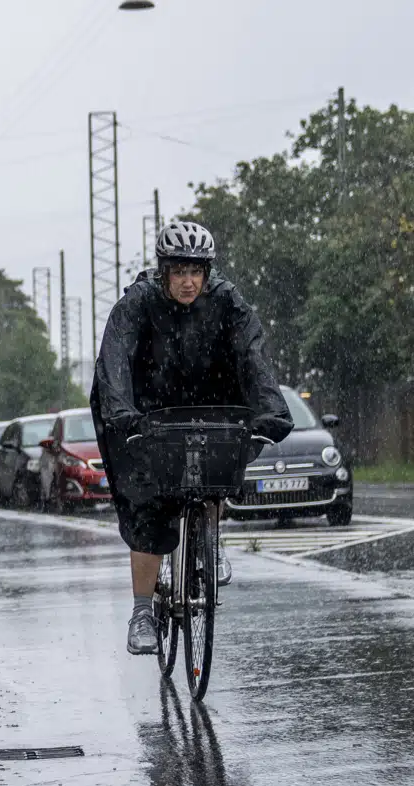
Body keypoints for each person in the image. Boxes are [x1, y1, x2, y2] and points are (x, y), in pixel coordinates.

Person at [91, 221, 294, 656]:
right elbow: (115, 358)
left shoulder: (226, 301)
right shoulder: (139, 303)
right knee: (148, 503)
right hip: (148, 409)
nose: (188, 281)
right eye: (180, 271)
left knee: (220, 463)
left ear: (208, 272)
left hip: (208, 399)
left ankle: (209, 541)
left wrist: (270, 412)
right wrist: (124, 416)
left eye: (196, 272)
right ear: (164, 271)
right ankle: (142, 611)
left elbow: (252, 355)